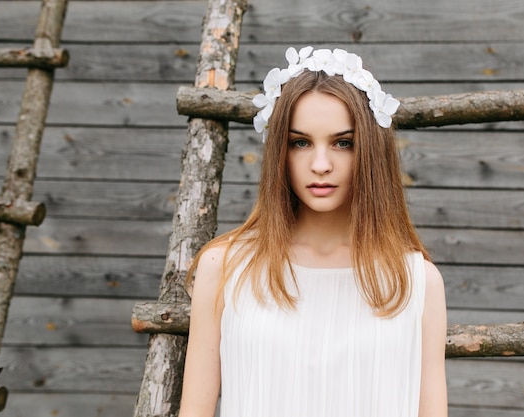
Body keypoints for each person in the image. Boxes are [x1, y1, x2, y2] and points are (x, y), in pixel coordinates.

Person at [178, 46, 447, 417]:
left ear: (370, 151)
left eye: (343, 143)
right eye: (300, 142)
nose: (320, 165)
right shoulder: (224, 267)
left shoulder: (416, 282)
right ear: (279, 150)